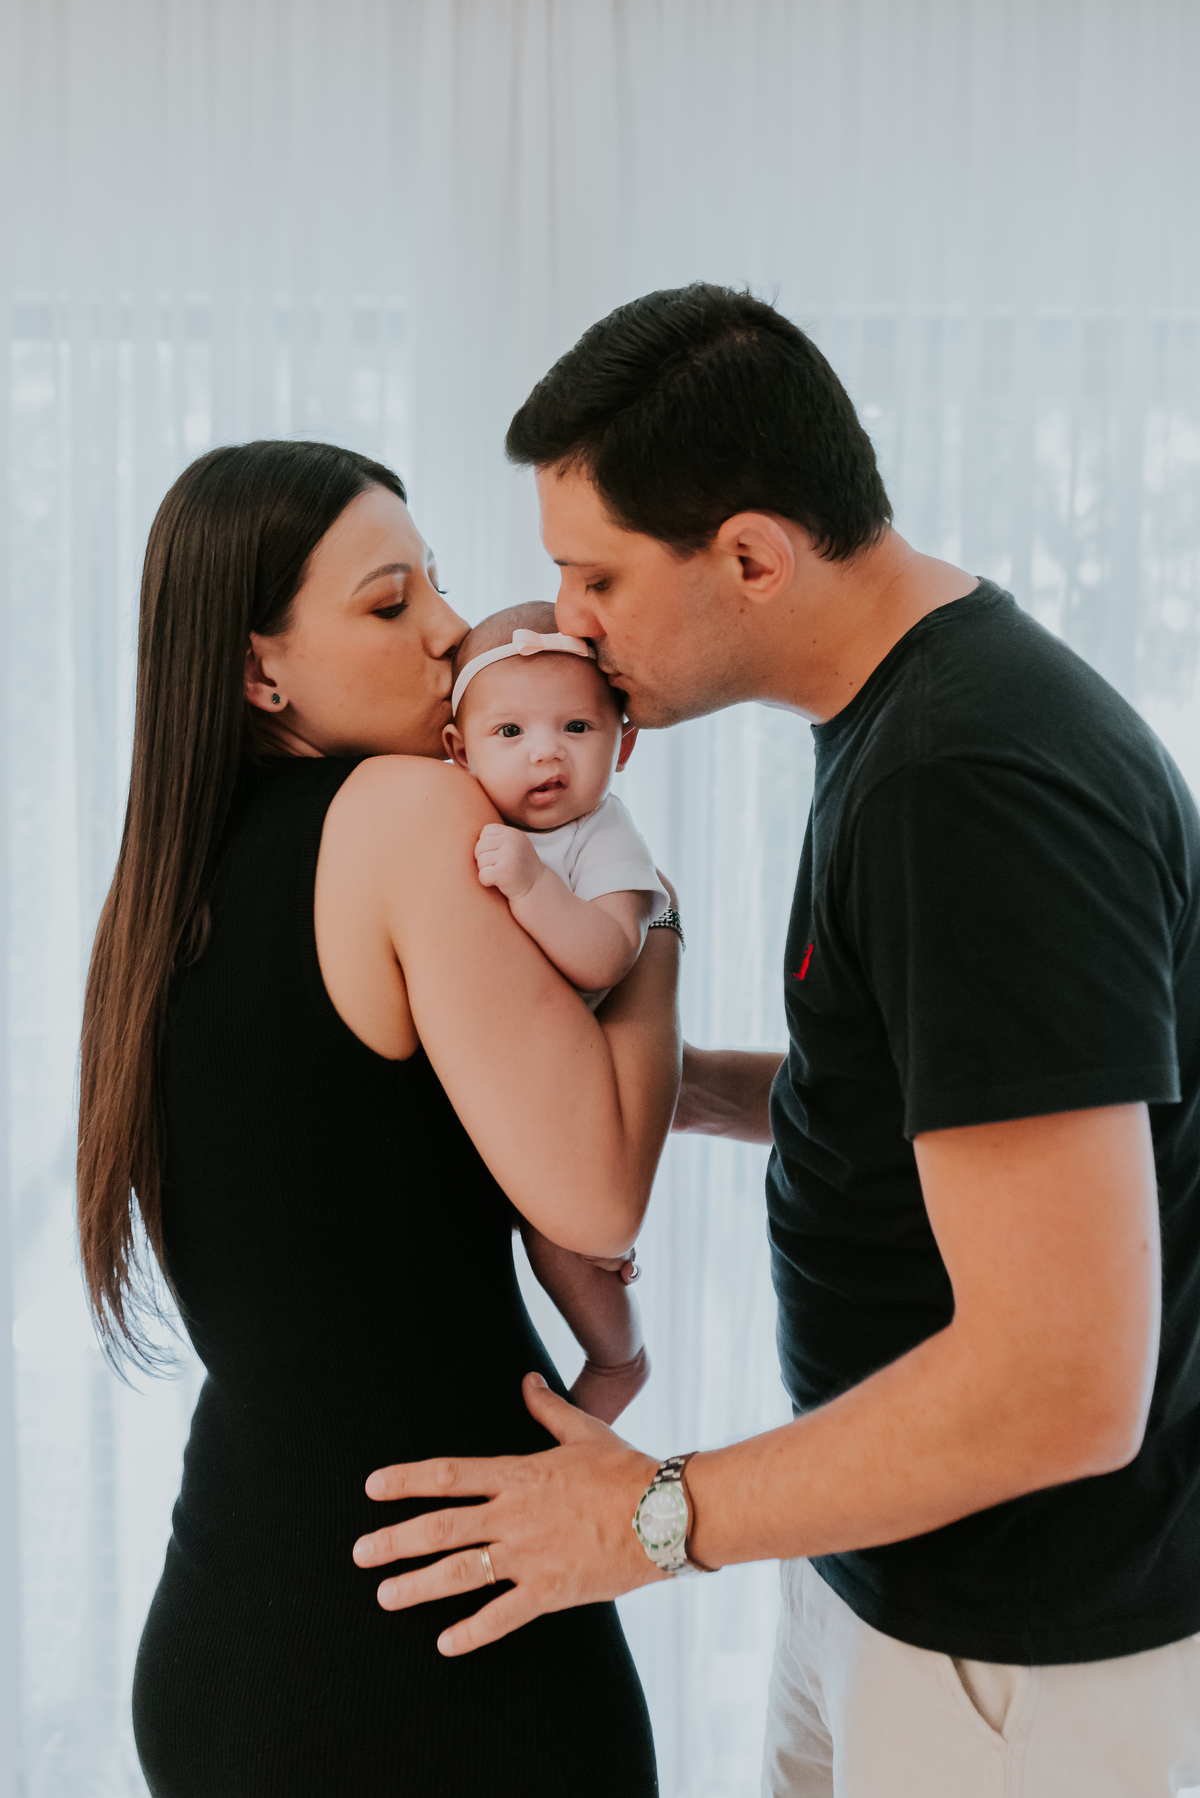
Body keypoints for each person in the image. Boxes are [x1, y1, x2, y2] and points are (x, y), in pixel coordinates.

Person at [350, 286, 1200, 1795]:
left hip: (1023, 1652)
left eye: (595, 575)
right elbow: (942, 1089)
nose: (566, 622)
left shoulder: (964, 778)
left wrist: (646, 1518)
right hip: (892, 1576)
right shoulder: (912, 716)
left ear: (751, 556)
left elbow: (1065, 1378)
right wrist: (671, 1089)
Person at [75, 440, 682, 1797]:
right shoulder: (405, 813)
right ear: (261, 672)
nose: (453, 631)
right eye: (391, 600)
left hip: (237, 1621)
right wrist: (656, 920)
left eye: (437, 585)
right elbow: (598, 1191)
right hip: (434, 1648)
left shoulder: (169, 884)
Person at [444, 598, 671, 1423]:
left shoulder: (603, 835)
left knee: (564, 1241)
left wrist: (534, 886)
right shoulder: (459, 809)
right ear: (459, 751)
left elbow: (608, 954)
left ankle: (619, 1361)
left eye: (577, 728)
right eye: (510, 732)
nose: (546, 753)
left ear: (624, 745)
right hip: (504, 1072)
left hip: (572, 1081)